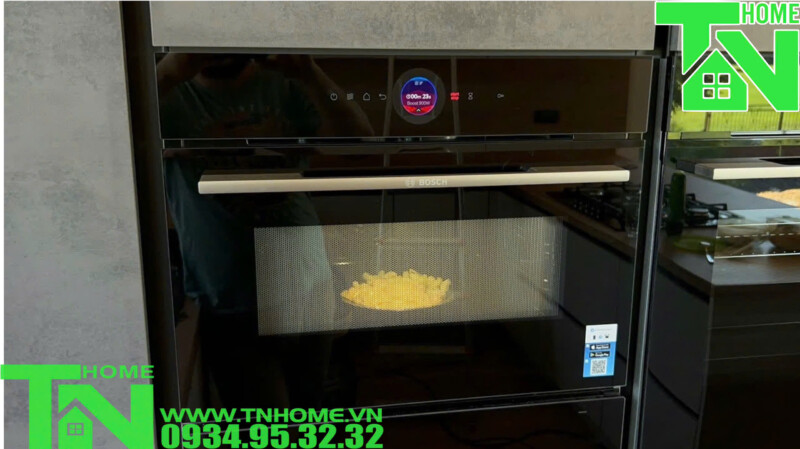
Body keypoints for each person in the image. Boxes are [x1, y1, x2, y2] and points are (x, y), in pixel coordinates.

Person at [156, 54, 373, 409]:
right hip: (230, 298)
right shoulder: (167, 91)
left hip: (309, 284)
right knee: (265, 426)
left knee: (307, 417)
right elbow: (100, 141)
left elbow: (360, 145)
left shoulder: (286, 79)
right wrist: (168, 71)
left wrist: (309, 72)